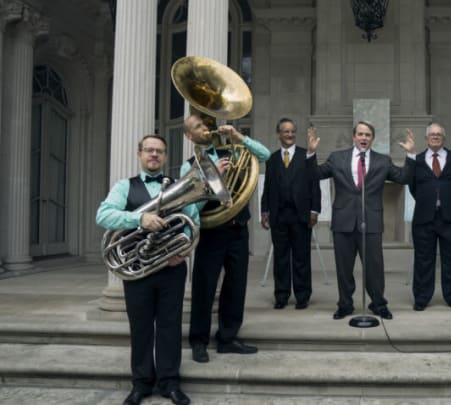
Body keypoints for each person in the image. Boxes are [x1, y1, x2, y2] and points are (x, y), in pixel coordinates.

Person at [96, 134, 194, 405]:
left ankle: (170, 382)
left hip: (171, 267)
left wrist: (181, 249)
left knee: (170, 326)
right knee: (140, 327)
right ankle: (140, 384)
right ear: (140, 154)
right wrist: (139, 218)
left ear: (164, 156)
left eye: (159, 151)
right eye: (149, 150)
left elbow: (192, 221)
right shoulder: (124, 186)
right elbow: (103, 215)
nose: (154, 155)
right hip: (137, 268)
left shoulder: (180, 186)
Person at [181, 114, 270, 363]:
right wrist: (211, 180)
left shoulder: (233, 151)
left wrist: (238, 137)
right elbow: (188, 207)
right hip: (211, 232)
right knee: (204, 288)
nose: (205, 128)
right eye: (198, 126)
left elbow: (265, 155)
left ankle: (228, 338)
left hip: (238, 229)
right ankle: (199, 341)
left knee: (236, 286)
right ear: (189, 136)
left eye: (205, 124)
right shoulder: (189, 164)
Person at [307, 121, 415, 320]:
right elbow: (314, 174)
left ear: (372, 138)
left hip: (371, 221)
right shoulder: (337, 158)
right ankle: (345, 305)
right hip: (343, 221)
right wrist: (311, 154)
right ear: (354, 136)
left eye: (367, 135)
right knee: (343, 267)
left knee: (374, 267)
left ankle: (378, 304)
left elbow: (404, 178)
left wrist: (410, 155)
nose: (364, 138)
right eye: (360, 134)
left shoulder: (382, 160)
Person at [261, 118, 321, 310]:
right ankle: (281, 295)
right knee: (281, 258)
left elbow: (314, 184)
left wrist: (314, 210)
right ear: (278, 134)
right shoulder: (272, 159)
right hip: (279, 215)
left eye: (293, 131)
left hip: (301, 215)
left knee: (301, 257)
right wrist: (264, 211)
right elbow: (267, 188)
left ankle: (302, 296)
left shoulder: (307, 155)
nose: (290, 135)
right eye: (286, 131)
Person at [409, 123, 451, 311]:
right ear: (426, 138)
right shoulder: (416, 160)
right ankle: (421, 298)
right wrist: (429, 200)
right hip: (424, 218)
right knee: (423, 259)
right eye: (432, 134)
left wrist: (445, 199)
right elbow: (413, 187)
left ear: (444, 138)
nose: (435, 136)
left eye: (439, 134)